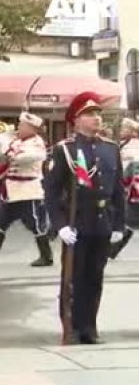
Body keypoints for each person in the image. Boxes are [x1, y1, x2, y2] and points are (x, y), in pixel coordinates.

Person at [46, 92, 124, 344]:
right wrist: (59, 226)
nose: (96, 119)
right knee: (73, 279)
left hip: (102, 223)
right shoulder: (66, 150)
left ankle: (90, 326)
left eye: (98, 114)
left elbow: (117, 190)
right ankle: (72, 326)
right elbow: (52, 191)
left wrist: (118, 224)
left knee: (94, 278)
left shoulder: (111, 149)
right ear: (76, 120)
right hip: (76, 224)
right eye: (90, 115)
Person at [0, 112, 53, 267]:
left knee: (35, 224)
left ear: (32, 128)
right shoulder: (15, 141)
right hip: (10, 189)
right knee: (1, 221)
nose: (19, 127)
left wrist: (7, 156)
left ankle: (46, 256)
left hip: (27, 191)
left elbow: (28, 157)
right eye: (20, 124)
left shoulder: (36, 143)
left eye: (23, 125)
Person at [110, 117, 139, 259]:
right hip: (130, 188)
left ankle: (113, 249)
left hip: (132, 188)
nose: (121, 131)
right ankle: (113, 249)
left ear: (132, 131)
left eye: (124, 128)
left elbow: (131, 168)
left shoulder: (133, 146)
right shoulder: (124, 145)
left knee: (129, 219)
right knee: (130, 220)